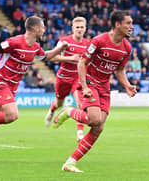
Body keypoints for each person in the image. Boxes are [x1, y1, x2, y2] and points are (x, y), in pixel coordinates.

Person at [0, 16, 69, 163]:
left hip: (11, 87)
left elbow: (46, 57)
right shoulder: (15, 42)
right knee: (12, 115)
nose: (44, 30)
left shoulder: (35, 47)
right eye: (42, 27)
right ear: (35, 29)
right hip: (0, 81)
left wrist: (60, 49)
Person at [53, 10, 137, 172]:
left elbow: (119, 70)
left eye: (131, 23)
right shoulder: (99, 40)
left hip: (104, 87)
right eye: (128, 23)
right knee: (94, 119)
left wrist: (127, 85)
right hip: (90, 83)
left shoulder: (126, 47)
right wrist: (84, 87)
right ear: (117, 24)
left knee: (98, 127)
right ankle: (69, 112)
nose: (131, 27)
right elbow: (82, 62)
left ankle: (71, 162)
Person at [44, 17, 89, 142]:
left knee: (81, 104)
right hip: (63, 77)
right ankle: (51, 111)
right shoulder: (64, 42)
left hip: (78, 78)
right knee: (59, 103)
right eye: (77, 27)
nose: (79, 30)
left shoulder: (88, 44)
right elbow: (52, 57)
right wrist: (70, 59)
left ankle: (80, 133)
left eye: (82, 27)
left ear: (85, 29)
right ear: (72, 29)